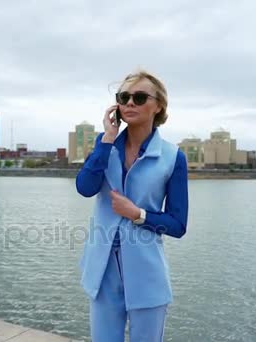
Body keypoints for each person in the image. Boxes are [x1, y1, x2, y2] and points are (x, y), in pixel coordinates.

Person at [76, 69, 189, 341]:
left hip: (147, 273)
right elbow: (85, 188)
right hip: (102, 270)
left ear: (158, 105)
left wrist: (137, 214)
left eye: (139, 97)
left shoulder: (173, 157)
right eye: (123, 97)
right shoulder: (106, 145)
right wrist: (107, 138)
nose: (129, 103)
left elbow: (178, 224)